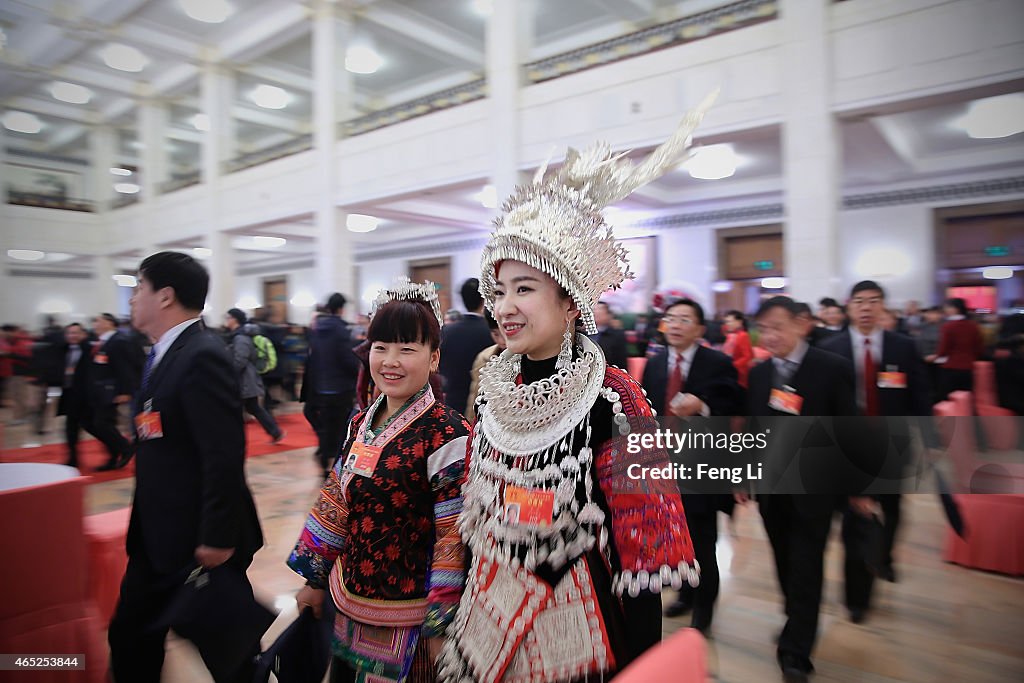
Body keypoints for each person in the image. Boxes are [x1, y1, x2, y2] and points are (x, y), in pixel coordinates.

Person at [438, 96, 716, 681]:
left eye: (525, 289)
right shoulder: (493, 388)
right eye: (501, 291)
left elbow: (644, 555)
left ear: (569, 302)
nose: (506, 307)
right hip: (486, 620)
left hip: (577, 631)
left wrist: (638, 666)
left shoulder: (614, 399)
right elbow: (480, 516)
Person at [289, 278, 471, 683]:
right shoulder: (362, 422)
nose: (390, 360)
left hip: (408, 618)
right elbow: (336, 502)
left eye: (407, 349)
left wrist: (441, 620)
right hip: (349, 601)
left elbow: (452, 534)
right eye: (381, 347)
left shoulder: (447, 434)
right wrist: (314, 579)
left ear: (434, 358)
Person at [109, 251, 264, 682]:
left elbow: (223, 453)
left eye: (138, 288)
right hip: (158, 533)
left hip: (197, 539)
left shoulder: (201, 355)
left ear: (165, 296)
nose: (132, 298)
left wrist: (215, 537)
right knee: (131, 637)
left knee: (229, 648)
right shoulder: (162, 352)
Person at [745, 295, 871, 681]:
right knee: (784, 562)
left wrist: (859, 486)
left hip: (815, 490)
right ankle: (795, 621)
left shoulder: (831, 368)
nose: (770, 335)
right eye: (764, 329)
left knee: (806, 565)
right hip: (772, 490)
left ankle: (797, 651)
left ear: (802, 324)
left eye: (778, 327)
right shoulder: (760, 373)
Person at [821, 280, 931, 614]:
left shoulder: (903, 347)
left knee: (892, 508)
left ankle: (884, 556)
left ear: (883, 306)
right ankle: (858, 593)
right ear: (849, 306)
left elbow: (920, 395)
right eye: (859, 301)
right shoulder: (830, 347)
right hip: (848, 448)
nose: (866, 307)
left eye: (873, 301)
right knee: (855, 518)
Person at [641, 298, 743, 633]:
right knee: (673, 538)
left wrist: (704, 405)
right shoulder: (655, 364)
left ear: (700, 328)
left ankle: (704, 611)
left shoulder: (717, 362)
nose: (675, 325)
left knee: (701, 540)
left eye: (684, 319)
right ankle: (685, 593)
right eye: (670, 319)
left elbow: (732, 402)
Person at [304, 293, 361, 478]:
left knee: (328, 424)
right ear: (341, 308)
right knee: (340, 428)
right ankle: (335, 464)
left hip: (319, 385)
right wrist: (358, 373)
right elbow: (346, 359)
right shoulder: (340, 330)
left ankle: (323, 456)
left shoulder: (316, 329)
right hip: (340, 386)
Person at [87, 312, 138, 470]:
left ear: (110, 323)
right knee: (97, 423)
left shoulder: (118, 341)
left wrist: (125, 391)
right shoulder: (103, 342)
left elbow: (125, 368)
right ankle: (115, 454)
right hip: (101, 390)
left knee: (102, 423)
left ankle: (125, 448)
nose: (95, 324)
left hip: (111, 390)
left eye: (98, 321)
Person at [224, 308, 284, 443]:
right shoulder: (239, 336)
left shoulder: (240, 338)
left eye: (228, 318)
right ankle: (275, 432)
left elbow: (240, 360)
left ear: (234, 319)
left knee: (242, 409)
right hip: (245, 379)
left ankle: (234, 439)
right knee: (253, 408)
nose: (226, 320)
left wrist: (229, 373)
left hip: (243, 380)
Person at [438, 278, 494, 413]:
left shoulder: (446, 331)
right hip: (484, 403)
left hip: (452, 402)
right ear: (483, 300)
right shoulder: (492, 332)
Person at [930, 297, 984, 398]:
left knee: (948, 398)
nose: (945, 310)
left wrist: (936, 356)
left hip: (951, 366)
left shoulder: (948, 326)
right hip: (968, 367)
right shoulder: (973, 326)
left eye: (947, 307)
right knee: (966, 398)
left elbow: (944, 348)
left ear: (955, 309)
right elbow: (978, 347)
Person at [55, 322, 92, 469]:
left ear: (83, 334)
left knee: (96, 427)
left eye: (76, 333)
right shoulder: (62, 350)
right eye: (70, 333)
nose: (73, 336)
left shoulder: (90, 350)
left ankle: (118, 449)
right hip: (69, 395)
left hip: (86, 396)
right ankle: (72, 458)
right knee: (70, 429)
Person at [464, 310, 505, 422]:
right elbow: (474, 397)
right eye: (496, 334)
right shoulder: (484, 358)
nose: (501, 340)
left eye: (504, 333)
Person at [590, 300, 629, 369]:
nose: (596, 313)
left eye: (600, 311)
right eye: (594, 310)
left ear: (608, 315)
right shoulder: (583, 333)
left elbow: (620, 361)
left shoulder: (616, 335)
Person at [722, 309, 754, 387]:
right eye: (726, 322)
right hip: (733, 374)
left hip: (740, 375)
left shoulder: (743, 335)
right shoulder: (732, 335)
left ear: (739, 322)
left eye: (730, 321)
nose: (727, 324)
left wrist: (732, 366)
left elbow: (748, 356)